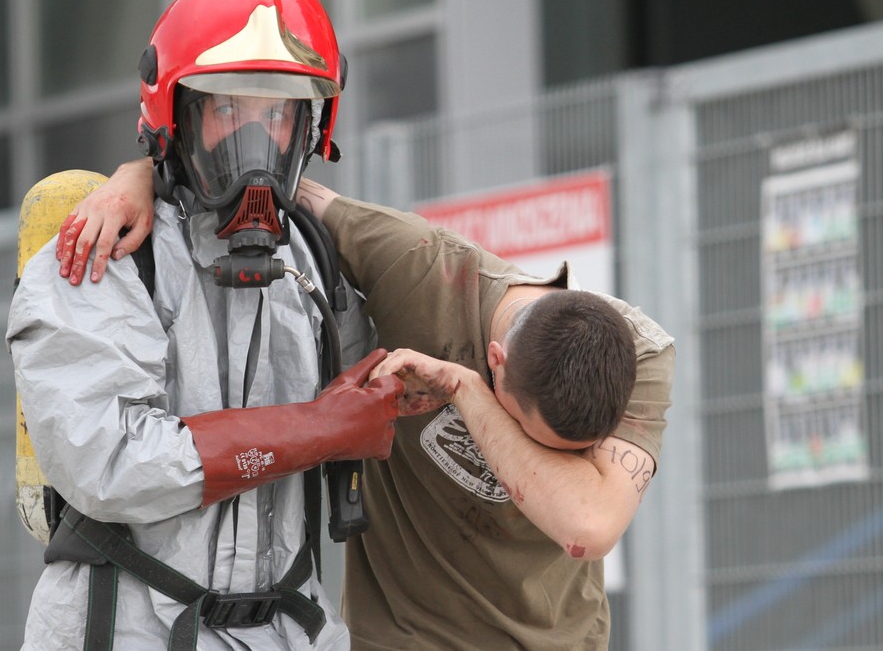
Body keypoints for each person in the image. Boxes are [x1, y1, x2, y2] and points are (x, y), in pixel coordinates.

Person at [60, 158, 676, 649]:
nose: (535, 459)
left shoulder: (639, 354)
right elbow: (270, 184)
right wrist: (137, 175)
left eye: (569, 459)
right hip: (406, 639)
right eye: (530, 432)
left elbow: (587, 529)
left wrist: (463, 389)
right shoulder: (417, 265)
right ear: (498, 358)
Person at [7, 0, 405, 648]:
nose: (254, 146)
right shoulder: (104, 253)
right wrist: (317, 428)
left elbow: (392, 383)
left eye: (276, 115)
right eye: (225, 110)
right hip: (124, 629)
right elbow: (110, 461)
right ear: (176, 116)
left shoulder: (313, 261)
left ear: (310, 128)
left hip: (289, 630)